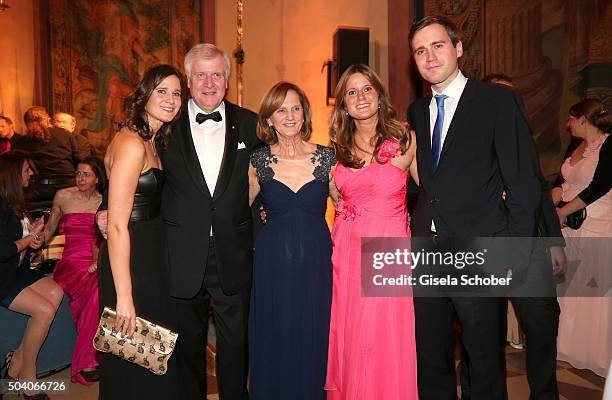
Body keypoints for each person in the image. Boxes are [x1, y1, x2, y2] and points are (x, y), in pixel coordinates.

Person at [408, 16, 542, 399]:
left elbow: (523, 182)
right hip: (429, 253)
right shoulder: (417, 110)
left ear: (458, 48)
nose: (429, 56)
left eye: (437, 46)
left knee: (482, 362)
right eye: (420, 50)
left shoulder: (496, 100)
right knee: (431, 358)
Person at [161, 43, 260, 400]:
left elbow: (269, 181)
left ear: (227, 81)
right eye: (200, 75)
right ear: (188, 80)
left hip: (234, 252)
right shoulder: (165, 127)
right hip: (181, 251)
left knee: (236, 346)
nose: (208, 82)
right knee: (187, 346)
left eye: (216, 74)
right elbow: (146, 181)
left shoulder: (250, 124)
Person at [459, 74, 565, 400]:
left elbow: (539, 194)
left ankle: (544, 394)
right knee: (480, 335)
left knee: (542, 326)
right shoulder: (464, 142)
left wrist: (555, 241)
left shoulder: (523, 142)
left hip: (530, 247)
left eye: (512, 99)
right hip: (484, 246)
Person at [325, 64, 419, 400]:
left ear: (379, 96)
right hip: (346, 252)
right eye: (351, 92)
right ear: (344, 105)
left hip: (387, 250)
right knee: (351, 331)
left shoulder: (405, 139)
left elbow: (432, 196)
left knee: (382, 333)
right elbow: (333, 199)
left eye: (367, 89)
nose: (360, 97)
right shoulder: (337, 149)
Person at [98, 64, 186, 399]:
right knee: (133, 352)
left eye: (177, 93)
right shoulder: (133, 144)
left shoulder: (152, 140)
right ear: (144, 95)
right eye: (162, 91)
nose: (170, 99)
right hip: (131, 261)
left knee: (151, 353)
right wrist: (124, 295)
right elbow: (118, 224)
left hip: (151, 255)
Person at [247, 82, 335, 399]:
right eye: (281, 109)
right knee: (276, 331)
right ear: (269, 118)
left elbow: (351, 207)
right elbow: (234, 214)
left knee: (315, 331)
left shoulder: (327, 157)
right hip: (272, 265)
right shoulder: (258, 161)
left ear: (304, 114)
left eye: (295, 108)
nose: (289, 116)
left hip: (318, 264)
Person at [553, 98, 611, 377]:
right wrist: (551, 207)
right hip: (569, 223)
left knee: (593, 288)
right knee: (569, 287)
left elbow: (600, 186)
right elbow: (561, 183)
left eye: (571, 119)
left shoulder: (609, 145)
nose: (567, 124)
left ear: (583, 120)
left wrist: (564, 211)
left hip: (597, 224)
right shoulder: (575, 146)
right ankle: (567, 346)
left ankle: (593, 352)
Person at [0, 151, 64, 400]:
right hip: (2, 278)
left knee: (56, 291)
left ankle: (14, 362)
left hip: (15, 270)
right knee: (45, 310)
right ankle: (27, 376)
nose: (31, 174)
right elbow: (3, 249)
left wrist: (33, 235)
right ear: (13, 174)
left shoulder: (14, 202)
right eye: (27, 169)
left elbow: (20, 244)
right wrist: (28, 239)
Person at [41, 156, 105, 385]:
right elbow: (49, 230)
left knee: (99, 289)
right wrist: (37, 239)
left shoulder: (103, 201)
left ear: (97, 178)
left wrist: (98, 260)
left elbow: (103, 238)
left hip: (95, 260)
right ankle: (90, 360)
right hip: (69, 263)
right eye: (78, 173)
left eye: (86, 174)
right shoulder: (63, 196)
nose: (80, 178)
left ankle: (89, 360)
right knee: (96, 291)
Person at [13, 107, 88, 202]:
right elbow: (78, 160)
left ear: (26, 123)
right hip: (68, 186)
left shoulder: (21, 142)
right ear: (47, 119)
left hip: (40, 191)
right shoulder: (64, 134)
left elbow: (15, 168)